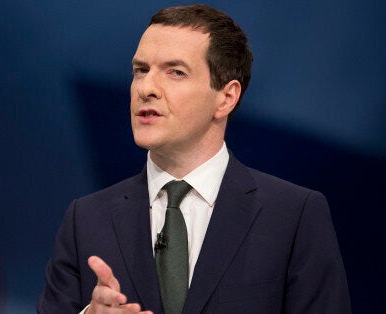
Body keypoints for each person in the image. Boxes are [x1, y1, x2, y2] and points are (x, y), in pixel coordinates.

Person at [38, 4, 350, 314]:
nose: (146, 88)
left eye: (175, 72)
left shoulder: (293, 216)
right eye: (140, 70)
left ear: (226, 97)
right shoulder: (86, 220)